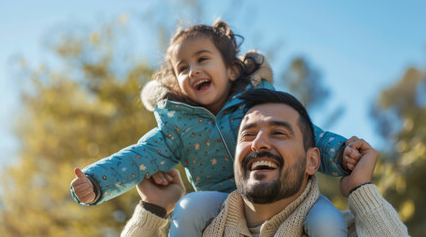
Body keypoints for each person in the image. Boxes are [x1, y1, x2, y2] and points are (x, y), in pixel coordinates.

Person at [70, 21, 356, 236]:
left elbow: (309, 136)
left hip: (289, 193)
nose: (192, 70)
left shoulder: (259, 104)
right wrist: (97, 182)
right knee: (188, 207)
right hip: (225, 202)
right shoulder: (176, 126)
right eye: (182, 68)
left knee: (327, 222)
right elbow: (137, 157)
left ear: (231, 70)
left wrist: (342, 153)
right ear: (175, 82)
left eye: (202, 59)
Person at [121, 89, 409, 237]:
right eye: (247, 134)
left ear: (312, 161)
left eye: (279, 133)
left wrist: (361, 190)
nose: (258, 143)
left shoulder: (345, 231)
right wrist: (153, 209)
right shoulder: (195, 228)